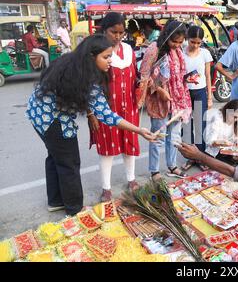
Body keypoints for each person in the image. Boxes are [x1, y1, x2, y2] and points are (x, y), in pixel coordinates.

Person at [25, 35, 156, 216]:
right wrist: (139, 130)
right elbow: (107, 115)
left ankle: (55, 201)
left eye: (111, 56)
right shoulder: (88, 80)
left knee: (55, 157)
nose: (110, 60)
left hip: (36, 112)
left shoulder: (70, 61)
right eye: (106, 57)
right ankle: (74, 209)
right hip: (52, 120)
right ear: (91, 56)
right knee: (69, 162)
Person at [88, 12, 141, 202]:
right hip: (106, 108)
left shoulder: (129, 50)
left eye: (121, 32)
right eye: (113, 32)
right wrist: (90, 113)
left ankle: (131, 179)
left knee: (129, 144)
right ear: (105, 30)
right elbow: (88, 84)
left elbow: (135, 77)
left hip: (129, 106)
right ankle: (106, 188)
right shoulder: (98, 51)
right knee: (107, 148)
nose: (117, 36)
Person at [139, 20, 191, 182]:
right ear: (166, 36)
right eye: (174, 41)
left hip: (177, 100)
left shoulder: (179, 51)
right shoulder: (153, 49)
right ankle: (154, 171)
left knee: (174, 136)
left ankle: (172, 165)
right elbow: (144, 75)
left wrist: (190, 78)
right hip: (159, 101)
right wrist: (159, 90)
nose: (176, 45)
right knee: (159, 136)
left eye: (180, 42)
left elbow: (179, 74)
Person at [182, 26, 214, 171]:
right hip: (185, 94)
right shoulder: (181, 52)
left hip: (200, 92)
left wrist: (209, 97)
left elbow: (208, 76)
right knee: (187, 125)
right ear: (187, 39)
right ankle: (190, 158)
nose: (195, 45)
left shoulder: (205, 54)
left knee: (200, 125)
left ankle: (200, 157)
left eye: (198, 43)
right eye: (192, 42)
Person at [203, 100, 238, 165]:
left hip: (229, 150)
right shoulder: (218, 119)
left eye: (237, 117)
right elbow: (210, 141)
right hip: (215, 151)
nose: (235, 119)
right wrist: (222, 142)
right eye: (233, 116)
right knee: (229, 166)